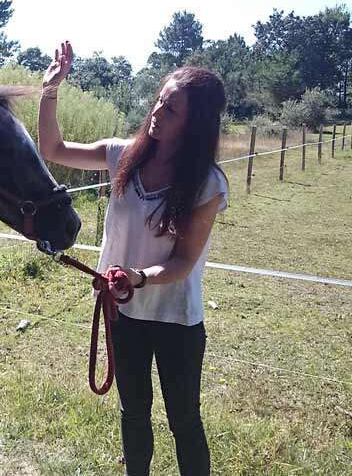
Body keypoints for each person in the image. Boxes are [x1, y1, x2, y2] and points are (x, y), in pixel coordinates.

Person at [38, 41, 228, 475]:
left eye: (172, 109)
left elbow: (182, 263)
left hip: (177, 321)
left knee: (184, 421)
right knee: (133, 414)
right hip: (123, 314)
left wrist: (137, 277)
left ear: (194, 125)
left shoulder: (206, 185)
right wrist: (50, 91)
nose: (157, 112)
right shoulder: (121, 155)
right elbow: (53, 148)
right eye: (159, 100)